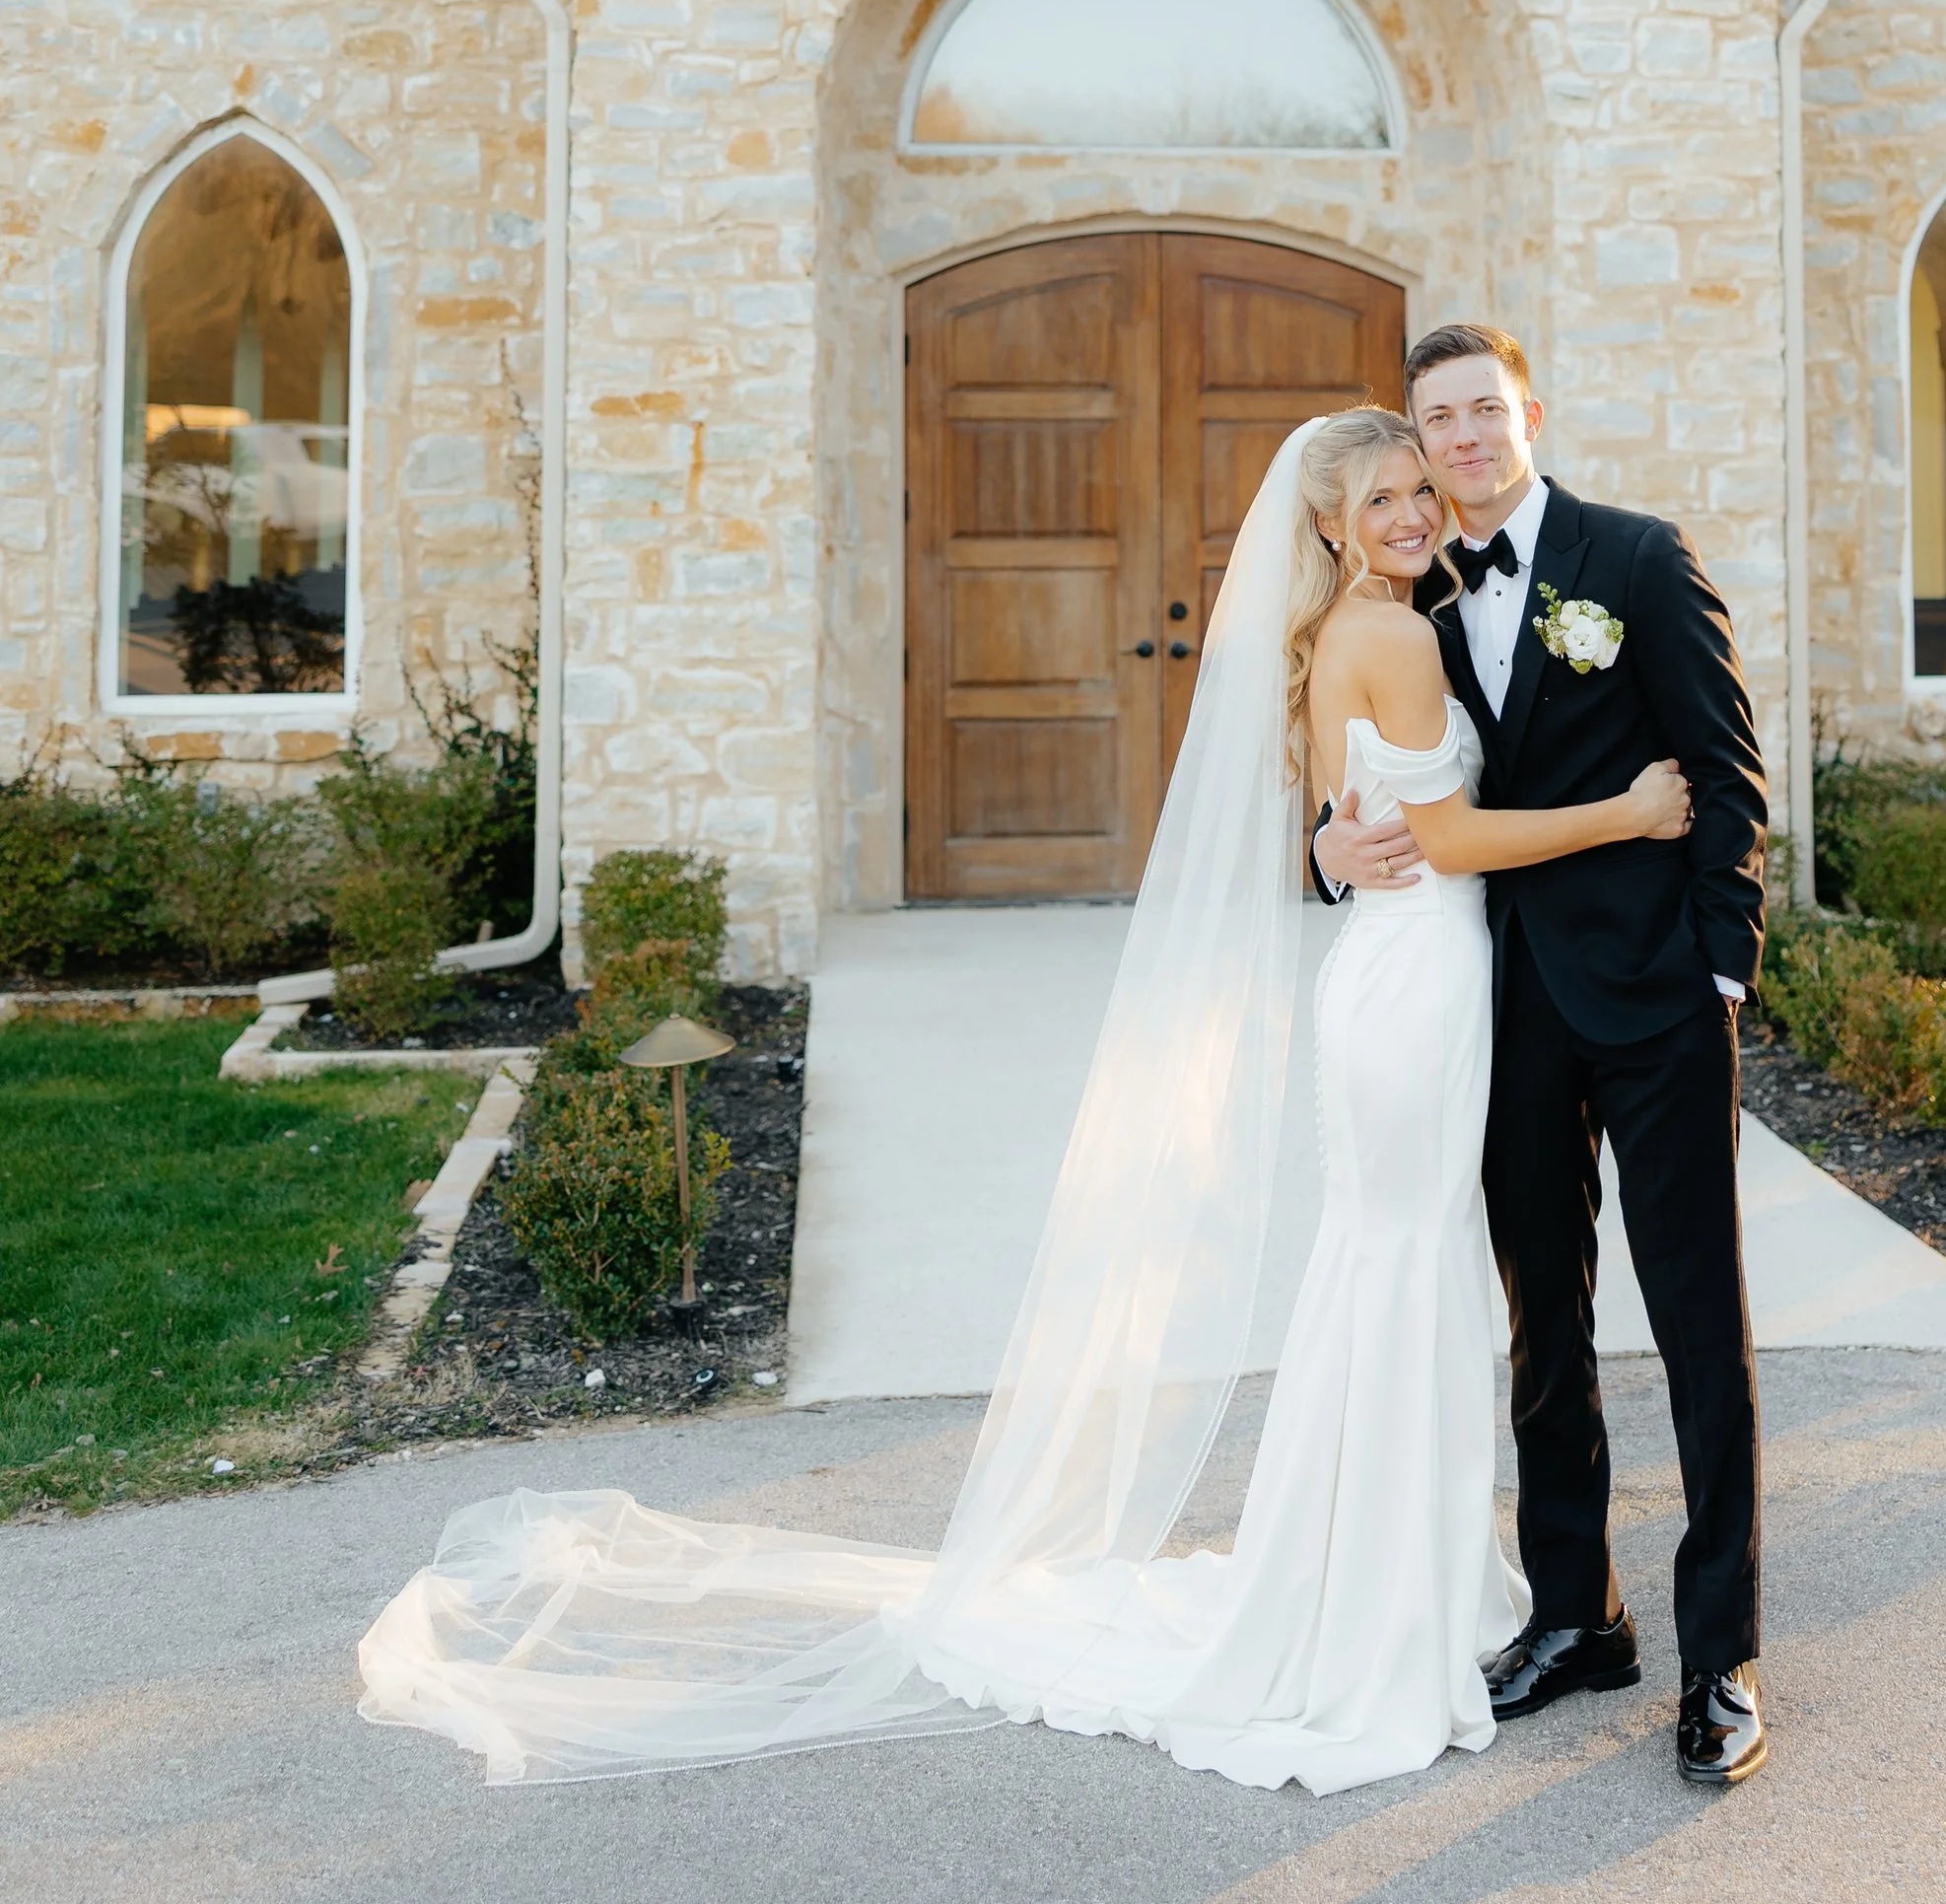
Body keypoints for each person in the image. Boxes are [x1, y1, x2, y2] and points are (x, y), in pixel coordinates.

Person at [357, 409, 1689, 1797]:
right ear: (1329, 524)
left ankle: (1379, 1570)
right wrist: (1632, 813)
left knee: (1386, 1265)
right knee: (1405, 1266)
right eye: (1384, 495)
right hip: (1418, 986)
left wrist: (1346, 844)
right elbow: (1452, 834)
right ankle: (1378, 1596)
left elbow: (1365, 823)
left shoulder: (1350, 634)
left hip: (1393, 976)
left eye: (1423, 487)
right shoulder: (1399, 636)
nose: (1416, 511)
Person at [1317, 323, 1771, 1787]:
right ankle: (1581, 1614)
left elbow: (1724, 765)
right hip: (1503, 1010)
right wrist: (1326, 848)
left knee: (1701, 1326)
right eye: (1433, 417)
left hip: (1656, 1005)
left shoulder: (1637, 556)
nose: (1456, 437)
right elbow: (1374, 782)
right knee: (1544, 1327)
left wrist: (1721, 969)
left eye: (1478, 409)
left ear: (1528, 413)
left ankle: (1723, 1654)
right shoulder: (1416, 598)